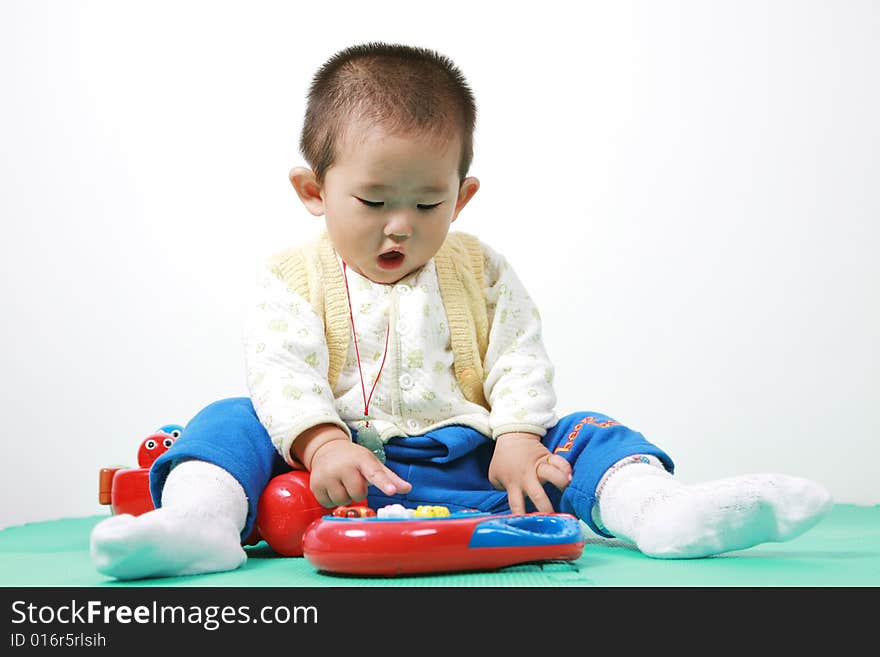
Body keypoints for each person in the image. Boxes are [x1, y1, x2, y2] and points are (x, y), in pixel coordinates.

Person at [90, 42, 832, 580]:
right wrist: (319, 444)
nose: (400, 225)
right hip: (343, 469)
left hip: (474, 460)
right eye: (374, 201)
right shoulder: (291, 276)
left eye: (428, 202)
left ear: (463, 195)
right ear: (313, 190)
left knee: (584, 434)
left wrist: (515, 436)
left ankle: (659, 512)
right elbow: (282, 368)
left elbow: (518, 355)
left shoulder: (480, 270)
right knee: (230, 417)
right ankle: (202, 520)